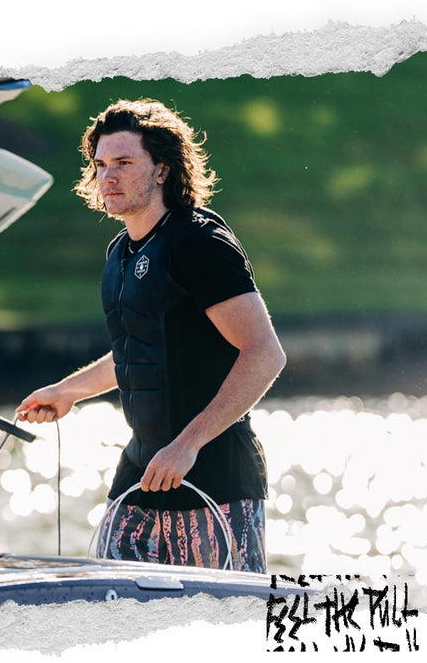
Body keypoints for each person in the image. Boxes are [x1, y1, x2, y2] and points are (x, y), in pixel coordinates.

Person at [16, 99, 285, 573]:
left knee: (217, 633)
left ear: (162, 170)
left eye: (124, 163)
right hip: (141, 477)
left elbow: (264, 353)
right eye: (100, 165)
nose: (108, 177)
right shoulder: (119, 252)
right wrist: (67, 392)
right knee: (107, 613)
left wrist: (188, 444)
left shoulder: (198, 242)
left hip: (214, 480)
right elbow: (139, 350)